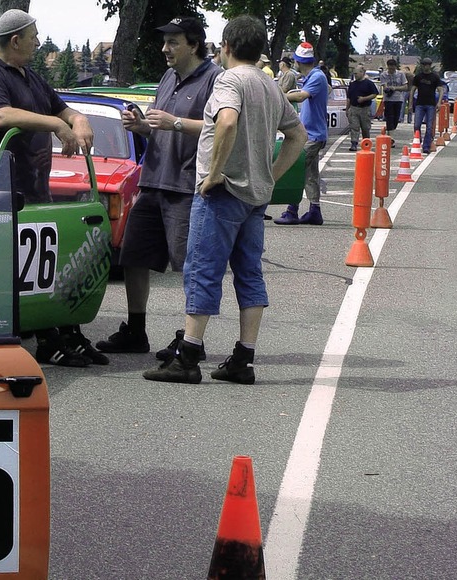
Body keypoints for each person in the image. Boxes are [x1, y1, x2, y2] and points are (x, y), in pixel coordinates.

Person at [142, 15, 307, 385]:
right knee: (249, 274)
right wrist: (270, 175)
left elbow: (227, 122)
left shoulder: (229, 80)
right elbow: (298, 135)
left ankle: (188, 356)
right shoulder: (269, 85)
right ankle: (243, 358)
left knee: (201, 270)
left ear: (226, 46)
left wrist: (215, 172)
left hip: (224, 192)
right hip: (254, 197)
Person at [0, 9, 108, 367]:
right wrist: (53, 125)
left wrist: (77, 120)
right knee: (22, 273)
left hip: (36, 191)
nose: (38, 42)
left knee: (52, 269)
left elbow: (63, 109)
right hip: (3, 196)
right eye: (34, 36)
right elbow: (1, 116)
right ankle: (47, 340)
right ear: (15, 40)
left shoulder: (31, 78)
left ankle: (69, 334)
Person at [95, 17, 222, 358]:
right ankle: (136, 331)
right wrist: (140, 126)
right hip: (152, 181)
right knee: (133, 256)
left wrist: (175, 123)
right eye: (165, 42)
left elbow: (220, 129)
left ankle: (190, 338)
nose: (165, 49)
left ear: (193, 45)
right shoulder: (169, 77)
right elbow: (158, 128)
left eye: (173, 42)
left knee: (189, 266)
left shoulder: (215, 80)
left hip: (186, 186)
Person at [274, 42, 329, 226]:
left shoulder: (316, 77)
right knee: (310, 174)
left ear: (299, 61)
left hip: (312, 135)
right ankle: (315, 210)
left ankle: (292, 210)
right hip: (313, 133)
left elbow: (301, 96)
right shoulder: (313, 76)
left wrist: (276, 96)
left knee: (292, 169)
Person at [410, 57, 444, 154]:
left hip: (431, 104)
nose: (426, 67)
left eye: (428, 65)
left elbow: (440, 90)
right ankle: (418, 140)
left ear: (430, 66)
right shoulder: (418, 77)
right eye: (424, 65)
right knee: (417, 125)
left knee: (429, 127)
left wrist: (439, 102)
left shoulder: (435, 77)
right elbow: (413, 90)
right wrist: (411, 103)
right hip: (419, 104)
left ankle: (426, 146)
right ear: (422, 66)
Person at [345, 64, 378, 151]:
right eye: (354, 74)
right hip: (354, 108)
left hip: (365, 108)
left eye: (357, 73)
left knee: (365, 127)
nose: (355, 75)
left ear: (362, 72)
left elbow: (374, 94)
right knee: (354, 127)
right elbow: (349, 97)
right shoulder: (352, 84)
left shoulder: (369, 84)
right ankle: (354, 143)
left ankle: (366, 142)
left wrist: (364, 98)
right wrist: (347, 108)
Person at [379, 59, 408, 145]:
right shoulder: (384, 75)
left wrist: (395, 88)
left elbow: (405, 87)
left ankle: (390, 131)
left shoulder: (401, 74)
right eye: (389, 69)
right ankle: (391, 137)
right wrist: (387, 89)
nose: (391, 70)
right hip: (388, 99)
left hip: (398, 98)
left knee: (396, 118)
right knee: (389, 117)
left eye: (392, 69)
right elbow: (384, 86)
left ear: (395, 67)